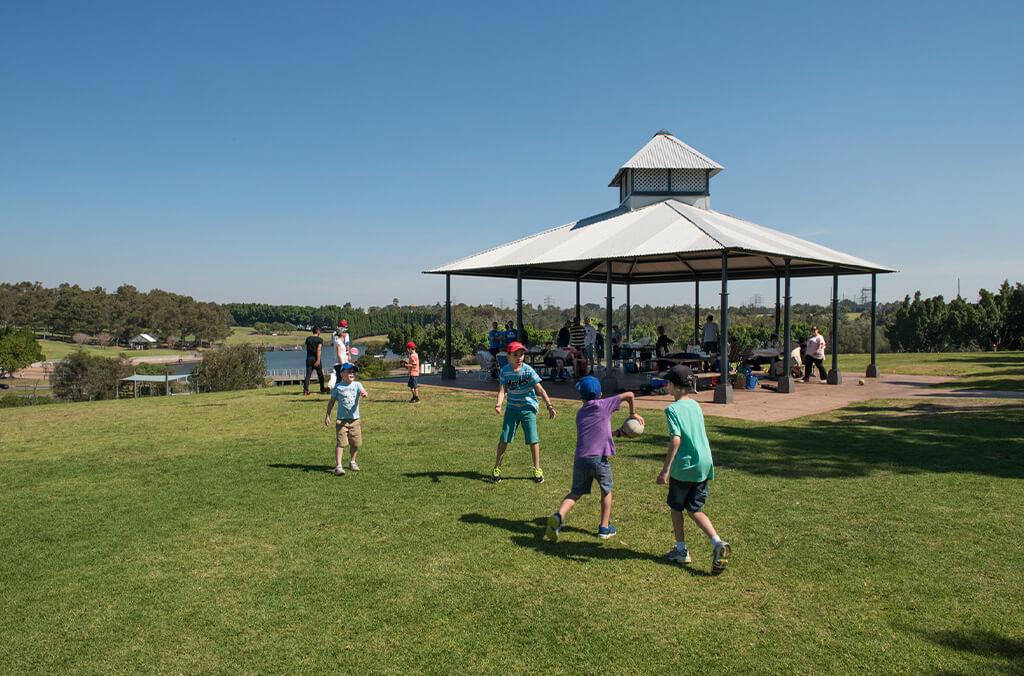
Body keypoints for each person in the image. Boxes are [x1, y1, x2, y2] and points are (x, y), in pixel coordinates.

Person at [544, 376, 644, 542]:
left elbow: (597, 434)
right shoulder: (605, 405)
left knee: (575, 492)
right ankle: (604, 527)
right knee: (606, 490)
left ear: (581, 397)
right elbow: (630, 395)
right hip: (599, 459)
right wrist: (632, 413)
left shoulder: (581, 414)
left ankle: (559, 516)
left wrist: (618, 433)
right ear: (601, 394)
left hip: (581, 459)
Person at [657, 365, 731, 575]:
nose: (666, 385)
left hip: (685, 466)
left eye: (668, 382)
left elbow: (676, 440)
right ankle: (717, 542)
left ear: (673, 386)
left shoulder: (671, 409)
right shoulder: (696, 406)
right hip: (704, 463)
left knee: (676, 506)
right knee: (695, 509)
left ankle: (681, 550)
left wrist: (665, 470)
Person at [491, 341, 557, 484]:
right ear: (508, 356)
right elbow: (503, 390)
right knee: (504, 438)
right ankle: (497, 468)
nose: (519, 357)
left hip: (528, 408)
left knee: (533, 439)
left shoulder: (528, 370)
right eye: (516, 355)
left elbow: (540, 389)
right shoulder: (504, 371)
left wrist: (549, 406)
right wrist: (499, 404)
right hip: (512, 409)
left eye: (521, 354)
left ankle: (537, 469)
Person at [323, 363, 368, 475]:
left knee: (356, 443)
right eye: (349, 372)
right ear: (342, 374)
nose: (351, 374)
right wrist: (328, 415)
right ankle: (338, 466)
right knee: (341, 443)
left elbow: (363, 391)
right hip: (341, 421)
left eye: (353, 372)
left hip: (355, 420)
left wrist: (364, 393)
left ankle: (352, 462)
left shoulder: (357, 385)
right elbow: (331, 402)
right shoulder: (338, 387)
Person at [303, 326, 328, 395]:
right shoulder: (319, 339)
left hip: (309, 358)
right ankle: (322, 388)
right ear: (318, 331)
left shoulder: (308, 339)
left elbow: (307, 348)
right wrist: (318, 360)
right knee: (320, 375)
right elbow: (319, 349)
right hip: (315, 358)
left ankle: (305, 390)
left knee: (308, 375)